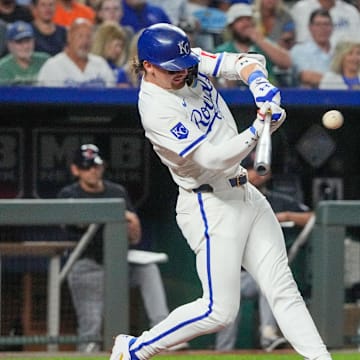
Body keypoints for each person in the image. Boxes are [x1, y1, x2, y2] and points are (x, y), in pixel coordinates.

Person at [109, 22, 333, 360]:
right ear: (148, 67)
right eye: (173, 69)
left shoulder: (185, 61)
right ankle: (134, 348)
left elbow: (246, 60)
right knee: (219, 310)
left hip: (245, 193)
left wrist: (259, 85)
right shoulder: (154, 108)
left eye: (185, 66)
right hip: (208, 203)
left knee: (283, 288)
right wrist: (258, 129)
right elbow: (211, 158)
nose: (183, 73)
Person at [57, 144, 172, 352]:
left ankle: (163, 332)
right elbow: (73, 223)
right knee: (90, 328)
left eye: (96, 166)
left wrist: (132, 222)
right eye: (87, 166)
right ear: (76, 170)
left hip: (120, 265)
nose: (92, 170)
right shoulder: (68, 194)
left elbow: (135, 236)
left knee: (148, 269)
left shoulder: (116, 191)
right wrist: (119, 216)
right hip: (88, 266)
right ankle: (88, 353)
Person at [215, 152, 313, 352]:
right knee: (226, 303)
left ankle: (268, 335)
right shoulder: (227, 198)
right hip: (233, 273)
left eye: (260, 169)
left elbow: (314, 216)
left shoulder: (276, 200)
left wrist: (286, 216)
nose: (257, 173)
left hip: (258, 274)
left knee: (269, 279)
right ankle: (222, 351)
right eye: (251, 169)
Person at [215, 3, 291, 87]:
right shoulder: (222, 50)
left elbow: (286, 63)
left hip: (267, 94)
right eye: (240, 20)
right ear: (231, 26)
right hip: (236, 96)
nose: (245, 24)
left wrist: (260, 40)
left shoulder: (263, 45)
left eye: (248, 19)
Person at [37, 17, 115, 87]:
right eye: (80, 36)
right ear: (69, 37)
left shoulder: (100, 64)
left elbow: (112, 95)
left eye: (88, 37)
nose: (85, 42)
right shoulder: (53, 67)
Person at [290, 9, 333, 88]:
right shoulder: (299, 50)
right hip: (310, 97)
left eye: (326, 24)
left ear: (332, 27)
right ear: (310, 27)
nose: (323, 28)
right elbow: (307, 77)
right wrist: (340, 82)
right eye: (318, 24)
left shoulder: (338, 51)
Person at [291, 0, 360, 48]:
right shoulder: (301, 9)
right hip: (311, 61)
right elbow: (300, 42)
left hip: (345, 63)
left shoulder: (351, 12)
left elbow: (356, 43)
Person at [0, 20, 49, 84]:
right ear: (9, 45)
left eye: (28, 41)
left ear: (33, 41)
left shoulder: (45, 60)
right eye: (19, 42)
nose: (25, 46)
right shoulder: (3, 67)